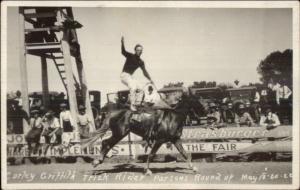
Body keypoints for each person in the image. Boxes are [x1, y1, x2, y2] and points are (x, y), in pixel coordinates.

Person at [120, 36, 154, 111]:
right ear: (135, 50)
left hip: (130, 77)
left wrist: (150, 79)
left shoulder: (141, 62)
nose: (139, 52)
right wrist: (122, 43)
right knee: (133, 87)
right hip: (124, 75)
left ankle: (137, 104)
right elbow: (123, 52)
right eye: (138, 50)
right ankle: (132, 105)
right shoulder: (131, 56)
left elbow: (144, 71)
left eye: (141, 50)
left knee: (141, 88)